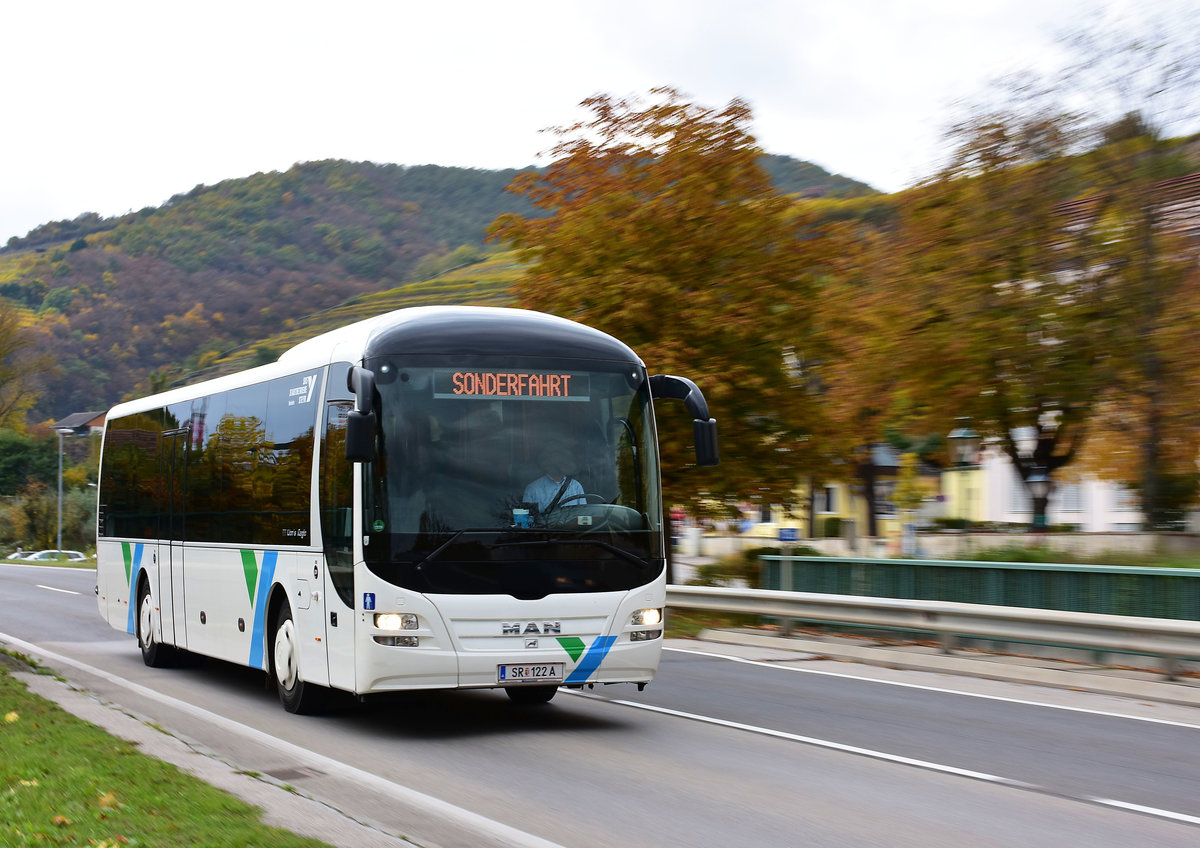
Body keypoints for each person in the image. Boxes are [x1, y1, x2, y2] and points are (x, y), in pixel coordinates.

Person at [523, 445, 585, 513]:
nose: (558, 464)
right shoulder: (532, 489)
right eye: (553, 459)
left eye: (560, 459)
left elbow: (583, 515)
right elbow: (528, 519)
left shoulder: (576, 486)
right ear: (546, 463)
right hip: (544, 524)